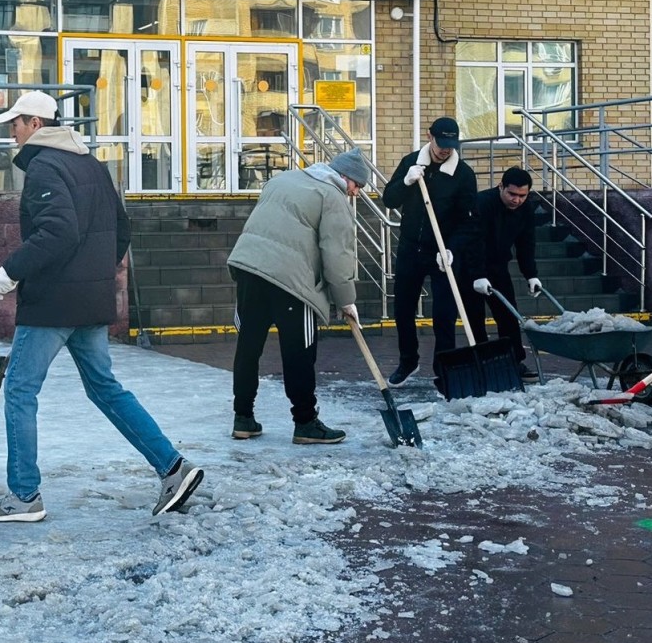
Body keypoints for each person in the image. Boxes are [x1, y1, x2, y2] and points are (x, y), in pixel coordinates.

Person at [0, 90, 204, 523]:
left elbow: (57, 232)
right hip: (90, 300)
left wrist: (10, 270)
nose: (12, 131)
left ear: (37, 125)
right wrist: (95, 274)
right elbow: (121, 229)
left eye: (17, 123)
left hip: (53, 303)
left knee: (21, 390)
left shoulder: (45, 167)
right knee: (105, 387)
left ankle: (24, 496)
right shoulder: (91, 164)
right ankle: (173, 467)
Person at [227, 150, 371, 445]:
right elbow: (338, 253)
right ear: (346, 179)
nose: (356, 194)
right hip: (290, 281)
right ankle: (305, 422)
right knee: (299, 353)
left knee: (248, 346)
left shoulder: (282, 179)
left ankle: (243, 418)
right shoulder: (333, 197)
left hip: (248, 268)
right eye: (358, 187)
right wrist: (346, 300)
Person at [380, 116, 478, 387]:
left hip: (443, 252)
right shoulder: (411, 162)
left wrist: (451, 248)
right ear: (429, 136)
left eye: (450, 144)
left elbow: (469, 221)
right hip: (412, 247)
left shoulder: (463, 175)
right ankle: (407, 361)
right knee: (403, 309)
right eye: (440, 143)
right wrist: (407, 182)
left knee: (444, 314)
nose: (445, 149)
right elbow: (389, 199)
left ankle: (443, 369)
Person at [460, 166, 542, 381]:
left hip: (498, 266)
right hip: (470, 267)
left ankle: (514, 362)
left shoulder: (526, 209)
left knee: (508, 314)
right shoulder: (482, 203)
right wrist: (477, 274)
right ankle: (482, 364)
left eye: (522, 196)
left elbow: (527, 243)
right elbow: (472, 241)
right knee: (475, 316)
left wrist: (530, 274)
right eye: (512, 194)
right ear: (501, 187)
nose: (517, 200)